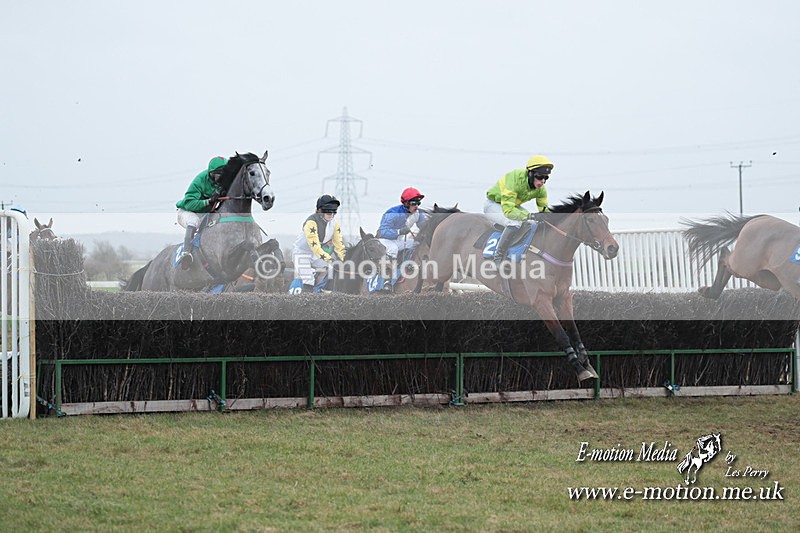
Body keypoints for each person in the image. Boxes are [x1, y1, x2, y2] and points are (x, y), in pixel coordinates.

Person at [484, 155, 553, 263]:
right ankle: (498, 257)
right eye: (540, 177)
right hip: (493, 205)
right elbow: (509, 212)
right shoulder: (514, 181)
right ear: (530, 173)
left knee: (531, 222)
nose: (543, 181)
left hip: (512, 205)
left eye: (546, 178)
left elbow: (545, 211)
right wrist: (532, 215)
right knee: (514, 222)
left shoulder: (541, 190)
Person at [175, 156, 227, 269]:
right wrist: (208, 201)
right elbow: (189, 203)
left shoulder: (224, 180)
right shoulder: (200, 181)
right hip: (188, 211)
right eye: (220, 173)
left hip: (207, 213)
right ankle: (186, 253)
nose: (223, 177)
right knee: (194, 221)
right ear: (211, 173)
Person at [292, 194, 346, 289]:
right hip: (301, 253)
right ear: (319, 210)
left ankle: (318, 293)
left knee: (331, 270)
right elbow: (315, 247)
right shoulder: (311, 223)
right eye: (328, 210)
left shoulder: (335, 224)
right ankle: (305, 299)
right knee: (309, 279)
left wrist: (344, 260)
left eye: (334, 211)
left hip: (315, 255)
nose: (331, 214)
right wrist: (330, 259)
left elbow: (339, 245)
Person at [376, 187, 427, 261]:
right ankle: (388, 270)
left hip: (398, 241)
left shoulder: (418, 214)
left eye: (418, 203)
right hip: (384, 241)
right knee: (393, 249)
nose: (416, 206)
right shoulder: (393, 213)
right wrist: (399, 231)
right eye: (413, 203)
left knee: (417, 243)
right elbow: (382, 232)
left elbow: (424, 227)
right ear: (406, 203)